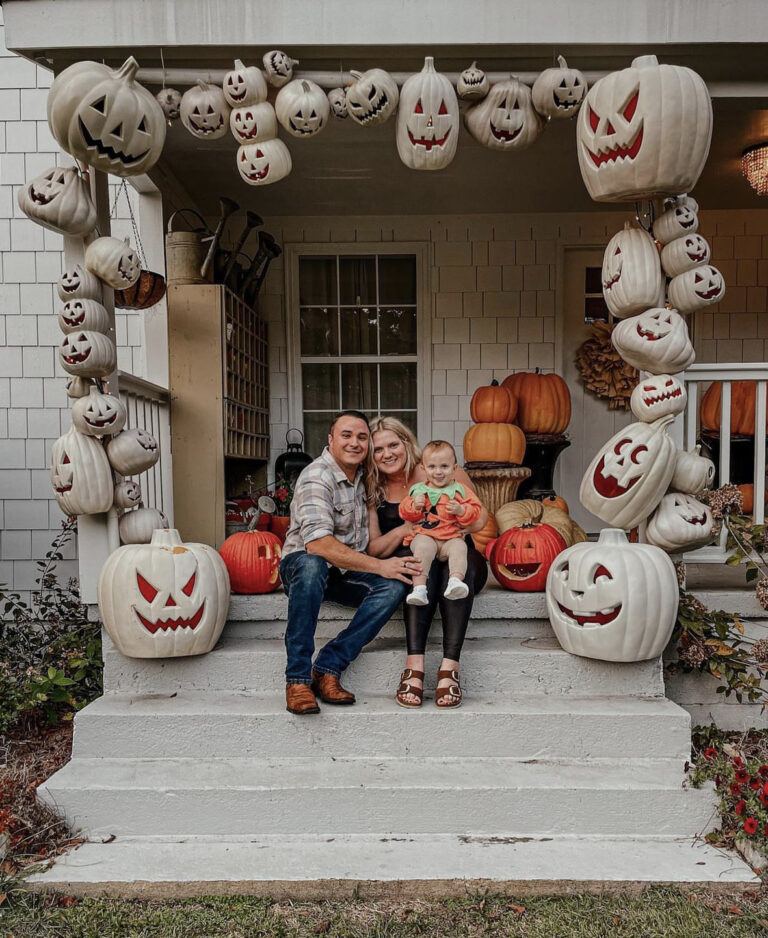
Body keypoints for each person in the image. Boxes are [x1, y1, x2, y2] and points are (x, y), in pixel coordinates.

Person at [279, 410, 422, 716]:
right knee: (312, 564)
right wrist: (380, 565)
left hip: (343, 571)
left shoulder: (361, 478)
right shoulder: (317, 476)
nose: (355, 443)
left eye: (362, 437)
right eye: (346, 435)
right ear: (330, 440)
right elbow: (318, 544)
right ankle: (298, 679)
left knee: (394, 585)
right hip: (303, 568)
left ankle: (329, 665)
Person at [367, 417, 489, 709]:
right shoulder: (373, 490)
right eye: (378, 449)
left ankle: (450, 667)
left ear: (407, 444)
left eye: (393, 444)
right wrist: (404, 530)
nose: (387, 453)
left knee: (450, 569)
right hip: (416, 557)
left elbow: (482, 520)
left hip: (459, 556)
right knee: (419, 566)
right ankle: (415, 665)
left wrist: (459, 523)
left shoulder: (443, 469)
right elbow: (374, 548)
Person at [399, 440, 483, 607]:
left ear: (454, 468)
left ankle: (455, 582)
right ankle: (419, 589)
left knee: (460, 547)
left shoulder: (460, 490)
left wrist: (461, 510)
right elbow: (403, 511)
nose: (438, 472)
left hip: (450, 538)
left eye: (444, 466)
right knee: (422, 549)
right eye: (432, 467)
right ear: (423, 469)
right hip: (426, 535)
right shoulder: (419, 490)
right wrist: (415, 506)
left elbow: (476, 510)